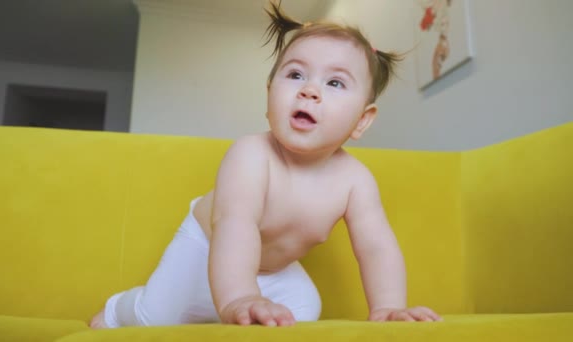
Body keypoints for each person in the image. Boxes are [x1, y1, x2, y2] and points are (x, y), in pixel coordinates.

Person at [90, 2, 441, 328]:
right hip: (206, 247)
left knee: (303, 309)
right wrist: (241, 296)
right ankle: (117, 310)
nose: (310, 91)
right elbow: (235, 225)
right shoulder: (251, 155)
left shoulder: (355, 181)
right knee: (155, 318)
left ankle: (234, 307)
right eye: (295, 75)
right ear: (269, 94)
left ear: (362, 121)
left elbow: (376, 245)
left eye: (334, 82)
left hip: (275, 269)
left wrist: (388, 306)